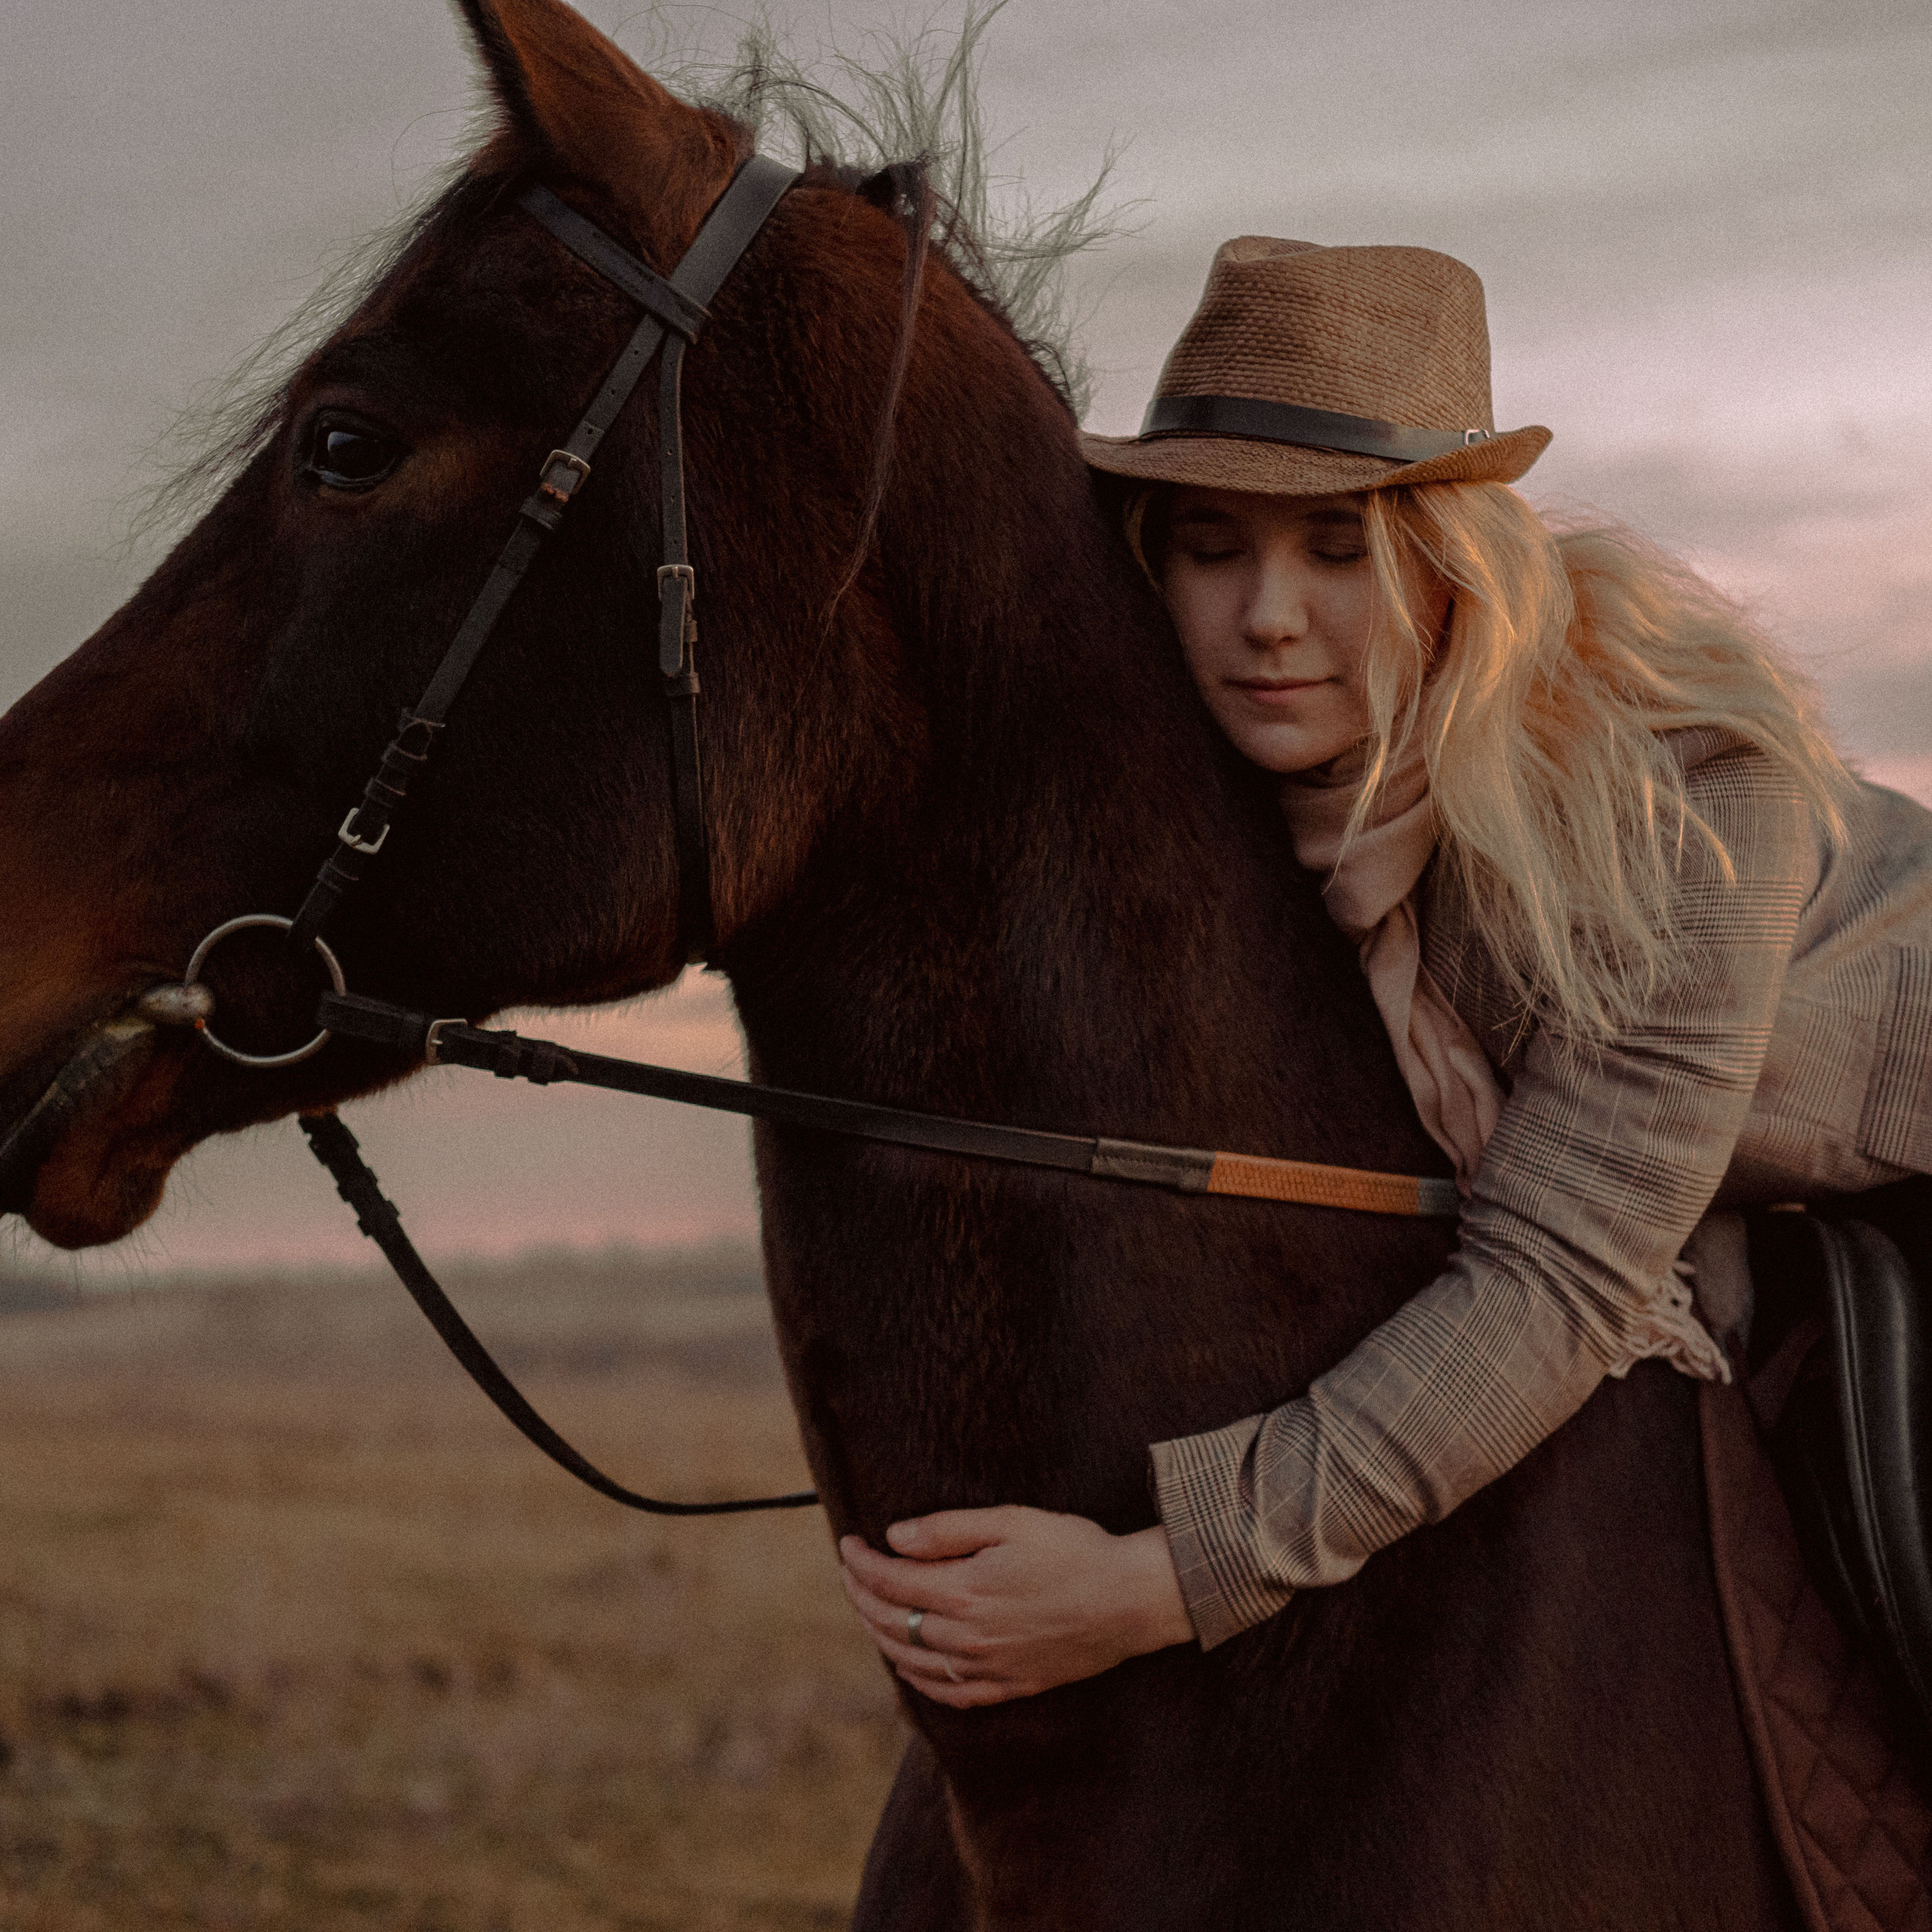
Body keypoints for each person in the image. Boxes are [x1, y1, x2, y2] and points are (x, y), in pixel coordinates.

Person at [838, 235, 1932, 1703]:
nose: (1267, 615)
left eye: (1336, 547)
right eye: (1212, 546)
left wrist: (1154, 1583)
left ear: (1445, 560)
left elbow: (1556, 1273)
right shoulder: (1253, 778)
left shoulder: (1680, 803)